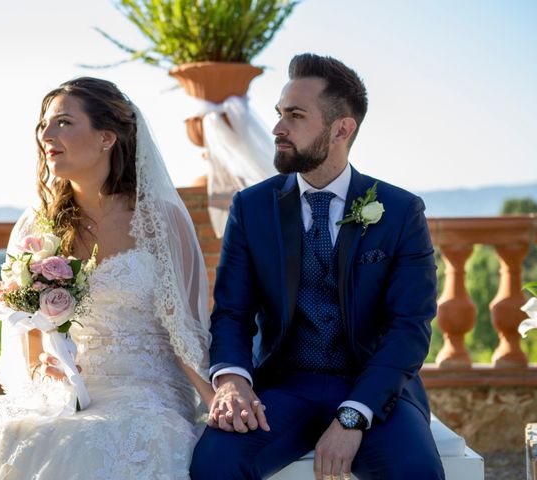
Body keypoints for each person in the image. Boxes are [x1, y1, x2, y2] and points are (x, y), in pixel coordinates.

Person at [0, 77, 214, 479]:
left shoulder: (160, 219)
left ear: (107, 137)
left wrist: (216, 399)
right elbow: (27, 321)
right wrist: (44, 367)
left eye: (63, 123)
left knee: (104, 443)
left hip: (147, 390)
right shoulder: (37, 223)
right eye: (44, 125)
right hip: (68, 391)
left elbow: (185, 330)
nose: (46, 136)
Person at [190, 54, 445, 480]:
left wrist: (353, 417)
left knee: (416, 471)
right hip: (281, 388)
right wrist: (232, 379)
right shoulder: (251, 207)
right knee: (214, 464)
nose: (277, 129)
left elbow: (410, 327)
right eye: (279, 114)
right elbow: (232, 313)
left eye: (295, 115)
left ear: (342, 128)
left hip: (374, 388)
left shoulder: (400, 211)